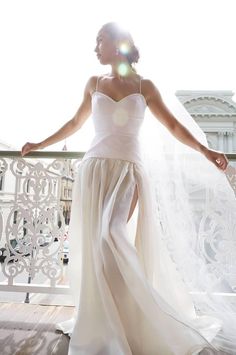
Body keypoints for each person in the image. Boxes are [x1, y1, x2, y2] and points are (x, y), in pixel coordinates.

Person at [21, 22, 236, 355]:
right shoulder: (94, 83)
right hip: (94, 169)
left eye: (100, 40)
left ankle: (149, 315)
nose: (95, 47)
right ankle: (108, 321)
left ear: (117, 44)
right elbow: (75, 123)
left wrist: (207, 151)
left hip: (128, 171)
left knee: (111, 233)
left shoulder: (144, 85)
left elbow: (175, 126)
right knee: (98, 246)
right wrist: (39, 143)